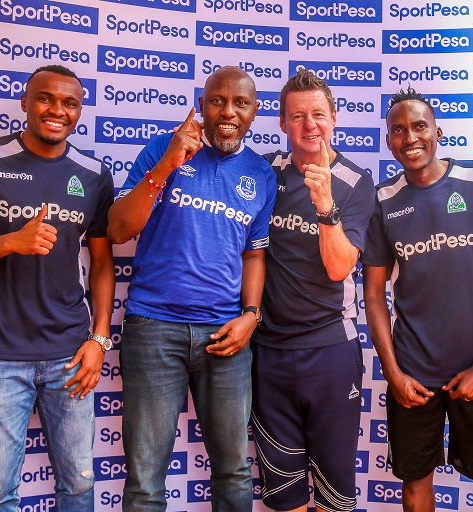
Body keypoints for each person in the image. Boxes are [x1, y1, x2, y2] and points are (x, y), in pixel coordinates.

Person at [0, 65, 115, 511]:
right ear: (25, 102)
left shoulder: (93, 173)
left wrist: (98, 339)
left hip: (71, 356)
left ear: (80, 111)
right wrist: (11, 241)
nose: (57, 110)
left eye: (69, 103)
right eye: (45, 98)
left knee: (78, 486)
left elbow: (103, 262)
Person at [108, 66, 276, 512]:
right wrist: (167, 165)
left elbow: (254, 254)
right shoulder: (164, 148)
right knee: (145, 481)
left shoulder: (260, 173)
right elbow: (119, 229)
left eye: (240, 103)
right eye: (217, 100)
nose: (228, 111)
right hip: (153, 329)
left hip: (225, 335)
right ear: (201, 105)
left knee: (234, 472)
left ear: (254, 112)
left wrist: (251, 315)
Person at [362, 86, 473, 512]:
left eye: (419, 126)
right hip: (413, 375)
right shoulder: (382, 201)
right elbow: (372, 295)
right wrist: (392, 372)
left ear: (438, 131)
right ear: (389, 140)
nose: (409, 137)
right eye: (398, 130)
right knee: (414, 486)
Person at [251, 69, 375, 512]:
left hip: (331, 353)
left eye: (318, 115)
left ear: (335, 118)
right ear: (282, 123)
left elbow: (340, 265)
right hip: (269, 354)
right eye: (297, 116)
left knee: (334, 495)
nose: (310, 126)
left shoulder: (356, 182)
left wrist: (325, 203)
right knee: (284, 497)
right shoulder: (264, 172)